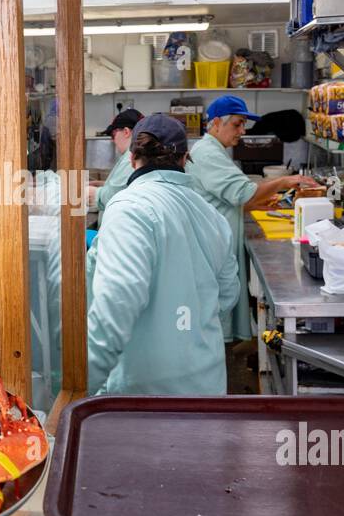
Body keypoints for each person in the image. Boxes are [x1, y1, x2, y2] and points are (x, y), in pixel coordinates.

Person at [86, 113, 239, 396]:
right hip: (208, 385)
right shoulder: (212, 216)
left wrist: (81, 386)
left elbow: (115, 304)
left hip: (146, 392)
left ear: (132, 159)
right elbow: (227, 295)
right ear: (184, 159)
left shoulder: (129, 208)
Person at [187, 95, 315, 343]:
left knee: (222, 306)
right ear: (216, 123)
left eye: (243, 125)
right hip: (213, 245)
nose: (242, 131)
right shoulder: (207, 153)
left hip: (217, 238)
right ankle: (215, 368)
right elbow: (244, 191)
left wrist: (258, 203)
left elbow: (228, 199)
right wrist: (287, 181)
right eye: (237, 124)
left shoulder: (215, 150)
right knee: (217, 311)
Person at [87, 107, 142, 214]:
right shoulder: (134, 154)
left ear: (126, 132)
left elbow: (112, 197)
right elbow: (126, 187)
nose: (112, 140)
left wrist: (89, 192)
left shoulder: (131, 158)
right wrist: (103, 184)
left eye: (113, 134)